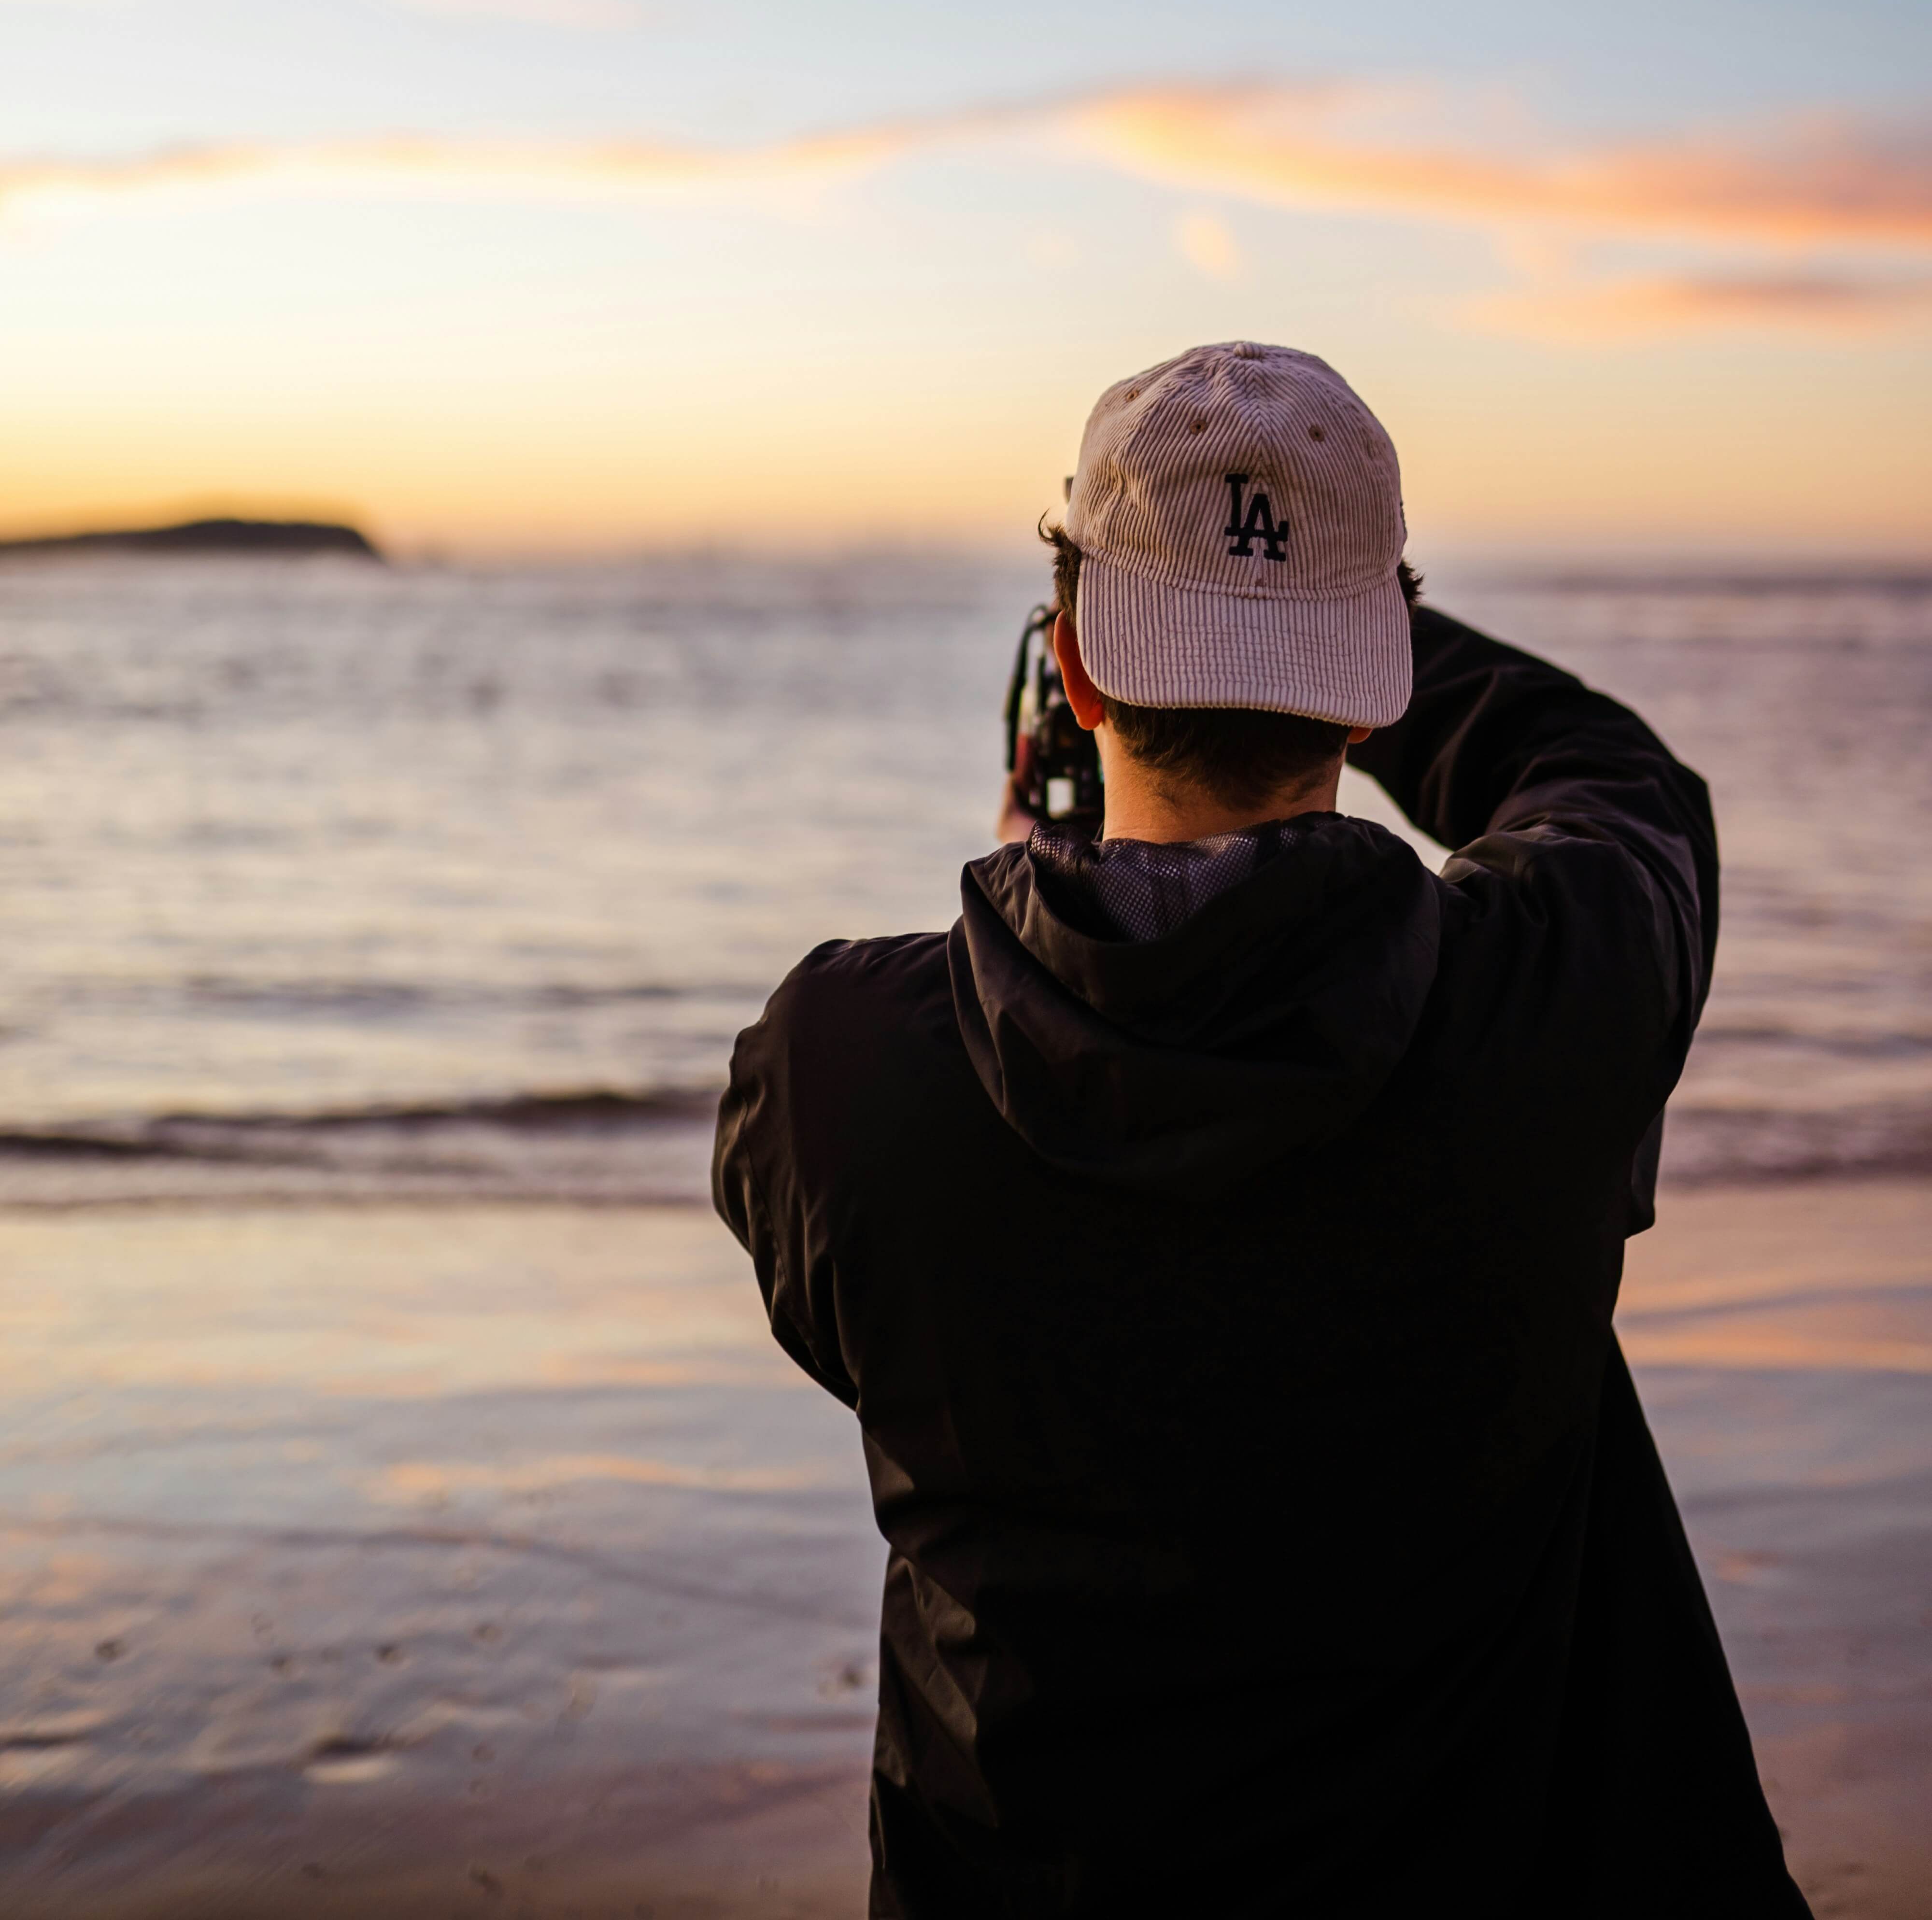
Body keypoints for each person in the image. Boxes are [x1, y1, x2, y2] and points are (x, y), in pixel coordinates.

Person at [713, 340, 1809, 1917]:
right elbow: (1616, 780)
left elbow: (861, 1308)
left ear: (1078, 670)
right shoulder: (1560, 998)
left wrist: (1048, 899)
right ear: (1375, 694)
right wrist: (1335, 607)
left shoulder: (839, 1070)